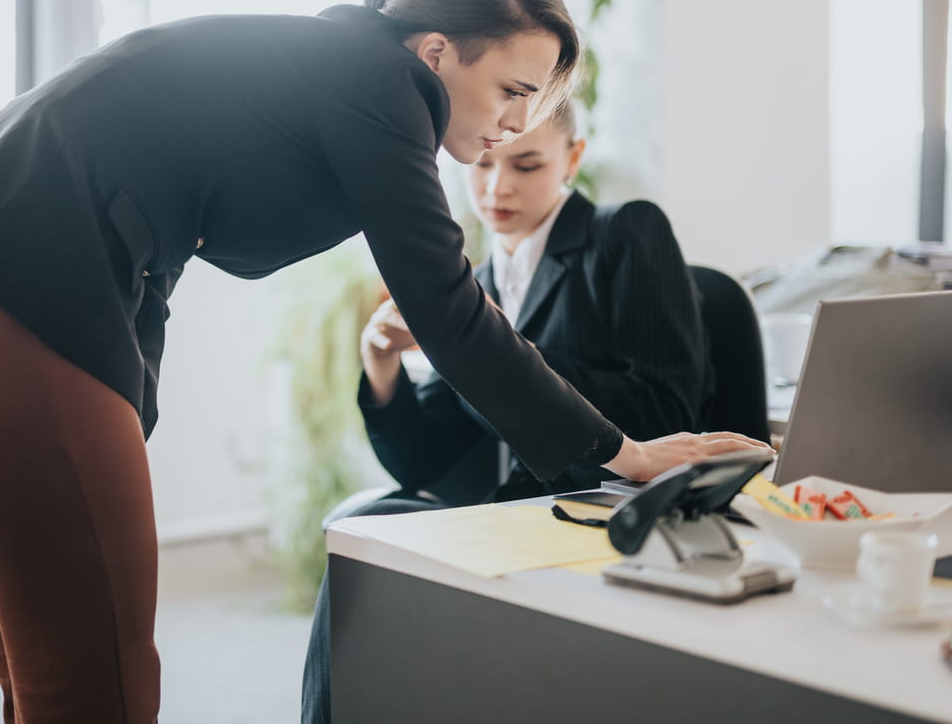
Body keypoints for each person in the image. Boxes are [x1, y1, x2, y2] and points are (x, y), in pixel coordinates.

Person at [0, 0, 771, 723]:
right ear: (437, 53)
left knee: (48, 661)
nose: (517, 122)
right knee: (99, 681)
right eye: (512, 90)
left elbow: (158, 238)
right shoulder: (382, 87)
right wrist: (625, 453)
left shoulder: (332, 67)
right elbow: (452, 312)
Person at [300, 101, 715, 724]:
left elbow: (662, 410)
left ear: (572, 158)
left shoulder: (625, 232)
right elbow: (422, 463)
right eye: (484, 164)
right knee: (363, 525)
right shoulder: (482, 280)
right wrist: (381, 365)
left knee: (369, 529)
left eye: (526, 165)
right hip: (517, 509)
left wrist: (500, 348)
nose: (498, 188)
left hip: (603, 507)